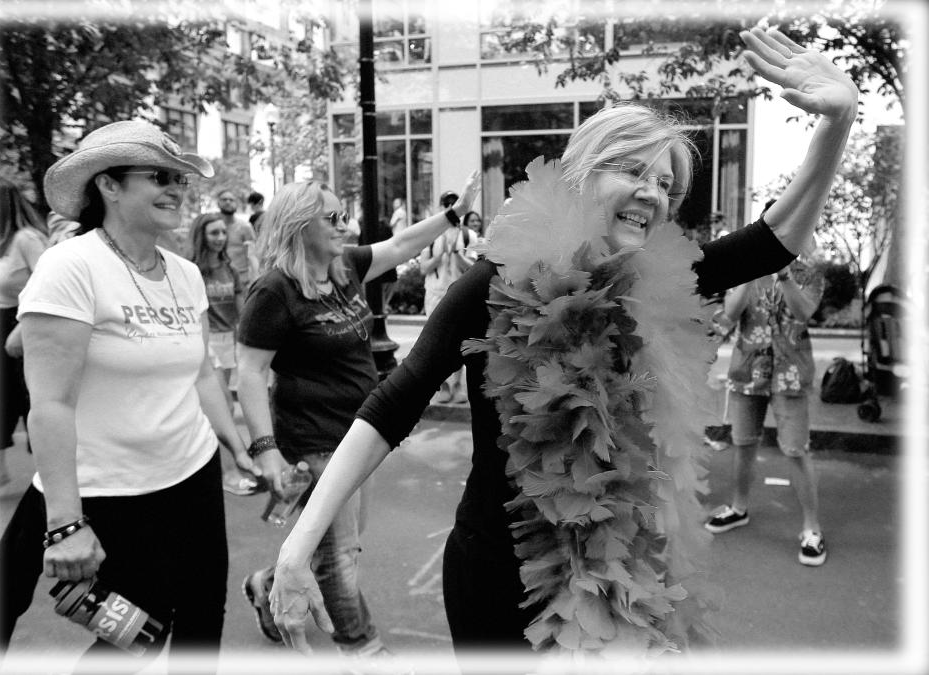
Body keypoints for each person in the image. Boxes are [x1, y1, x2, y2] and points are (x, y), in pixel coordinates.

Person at [267, 28, 858, 665]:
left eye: (665, 184)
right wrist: (299, 545)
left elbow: (777, 239)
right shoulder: (494, 284)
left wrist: (837, 122)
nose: (652, 193)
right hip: (503, 578)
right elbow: (393, 404)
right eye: (631, 170)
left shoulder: (663, 283)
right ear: (578, 176)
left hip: (622, 574)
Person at [0, 119, 254, 673]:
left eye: (181, 177)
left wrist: (245, 448)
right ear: (108, 185)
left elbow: (202, 373)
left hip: (191, 477)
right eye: (160, 175)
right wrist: (64, 524)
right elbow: (51, 404)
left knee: (203, 616)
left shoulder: (183, 273)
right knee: (134, 633)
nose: (178, 188)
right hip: (107, 491)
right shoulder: (70, 267)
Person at [236, 172, 480, 663]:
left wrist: (453, 216)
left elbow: (400, 244)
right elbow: (249, 372)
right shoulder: (275, 291)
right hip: (313, 441)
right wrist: (266, 453)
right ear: (300, 224)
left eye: (345, 215)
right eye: (334, 218)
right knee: (341, 558)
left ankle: (267, 583)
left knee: (336, 539)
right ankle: (363, 649)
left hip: (356, 434)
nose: (346, 226)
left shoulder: (344, 266)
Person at [705, 215, 827, 565]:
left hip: (790, 375)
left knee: (795, 449)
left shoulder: (809, 274)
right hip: (748, 371)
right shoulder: (746, 268)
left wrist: (784, 273)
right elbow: (728, 317)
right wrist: (746, 275)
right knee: (743, 444)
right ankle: (738, 507)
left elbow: (803, 313)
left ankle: (812, 528)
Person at [0, 179, 49, 496]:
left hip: (21, 326)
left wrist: (22, 324)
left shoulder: (27, 239)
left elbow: (48, 281)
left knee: (33, 401)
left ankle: (51, 476)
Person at [190, 212, 258, 496]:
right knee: (224, 408)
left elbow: (241, 308)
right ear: (201, 236)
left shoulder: (229, 270)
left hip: (228, 341)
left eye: (222, 233)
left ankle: (216, 465)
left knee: (215, 409)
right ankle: (228, 472)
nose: (219, 238)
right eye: (213, 233)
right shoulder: (191, 270)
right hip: (203, 343)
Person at [418, 190, 478, 403]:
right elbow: (423, 268)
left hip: (459, 294)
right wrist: (441, 255)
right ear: (442, 207)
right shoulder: (431, 236)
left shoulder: (468, 236)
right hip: (435, 293)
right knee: (436, 342)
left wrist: (456, 255)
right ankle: (443, 386)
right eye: (447, 203)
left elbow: (475, 267)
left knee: (461, 339)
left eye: (454, 203)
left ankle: (458, 385)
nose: (451, 207)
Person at [216, 188, 257, 287]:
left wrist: (254, 280)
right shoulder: (212, 227)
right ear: (218, 203)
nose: (228, 202)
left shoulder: (245, 227)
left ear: (236, 203)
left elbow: (253, 255)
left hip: (241, 280)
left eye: (231, 200)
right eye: (224, 199)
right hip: (218, 280)